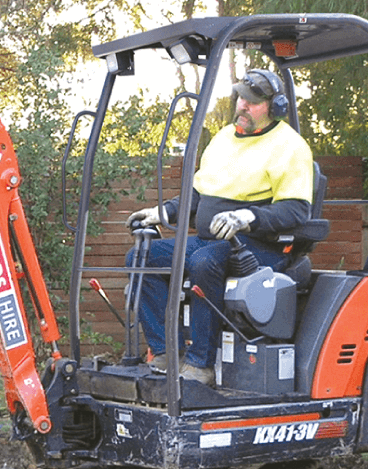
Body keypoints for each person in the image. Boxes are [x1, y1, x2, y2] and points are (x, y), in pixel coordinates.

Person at [126, 68, 313, 386]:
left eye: (252, 102)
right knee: (141, 257)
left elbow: (297, 209)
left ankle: (201, 364)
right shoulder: (224, 140)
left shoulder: (290, 147)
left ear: (274, 107)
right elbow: (199, 195)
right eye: (241, 97)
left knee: (205, 262)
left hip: (260, 247)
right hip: (211, 241)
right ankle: (164, 352)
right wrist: (163, 212)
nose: (242, 105)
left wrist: (249, 217)